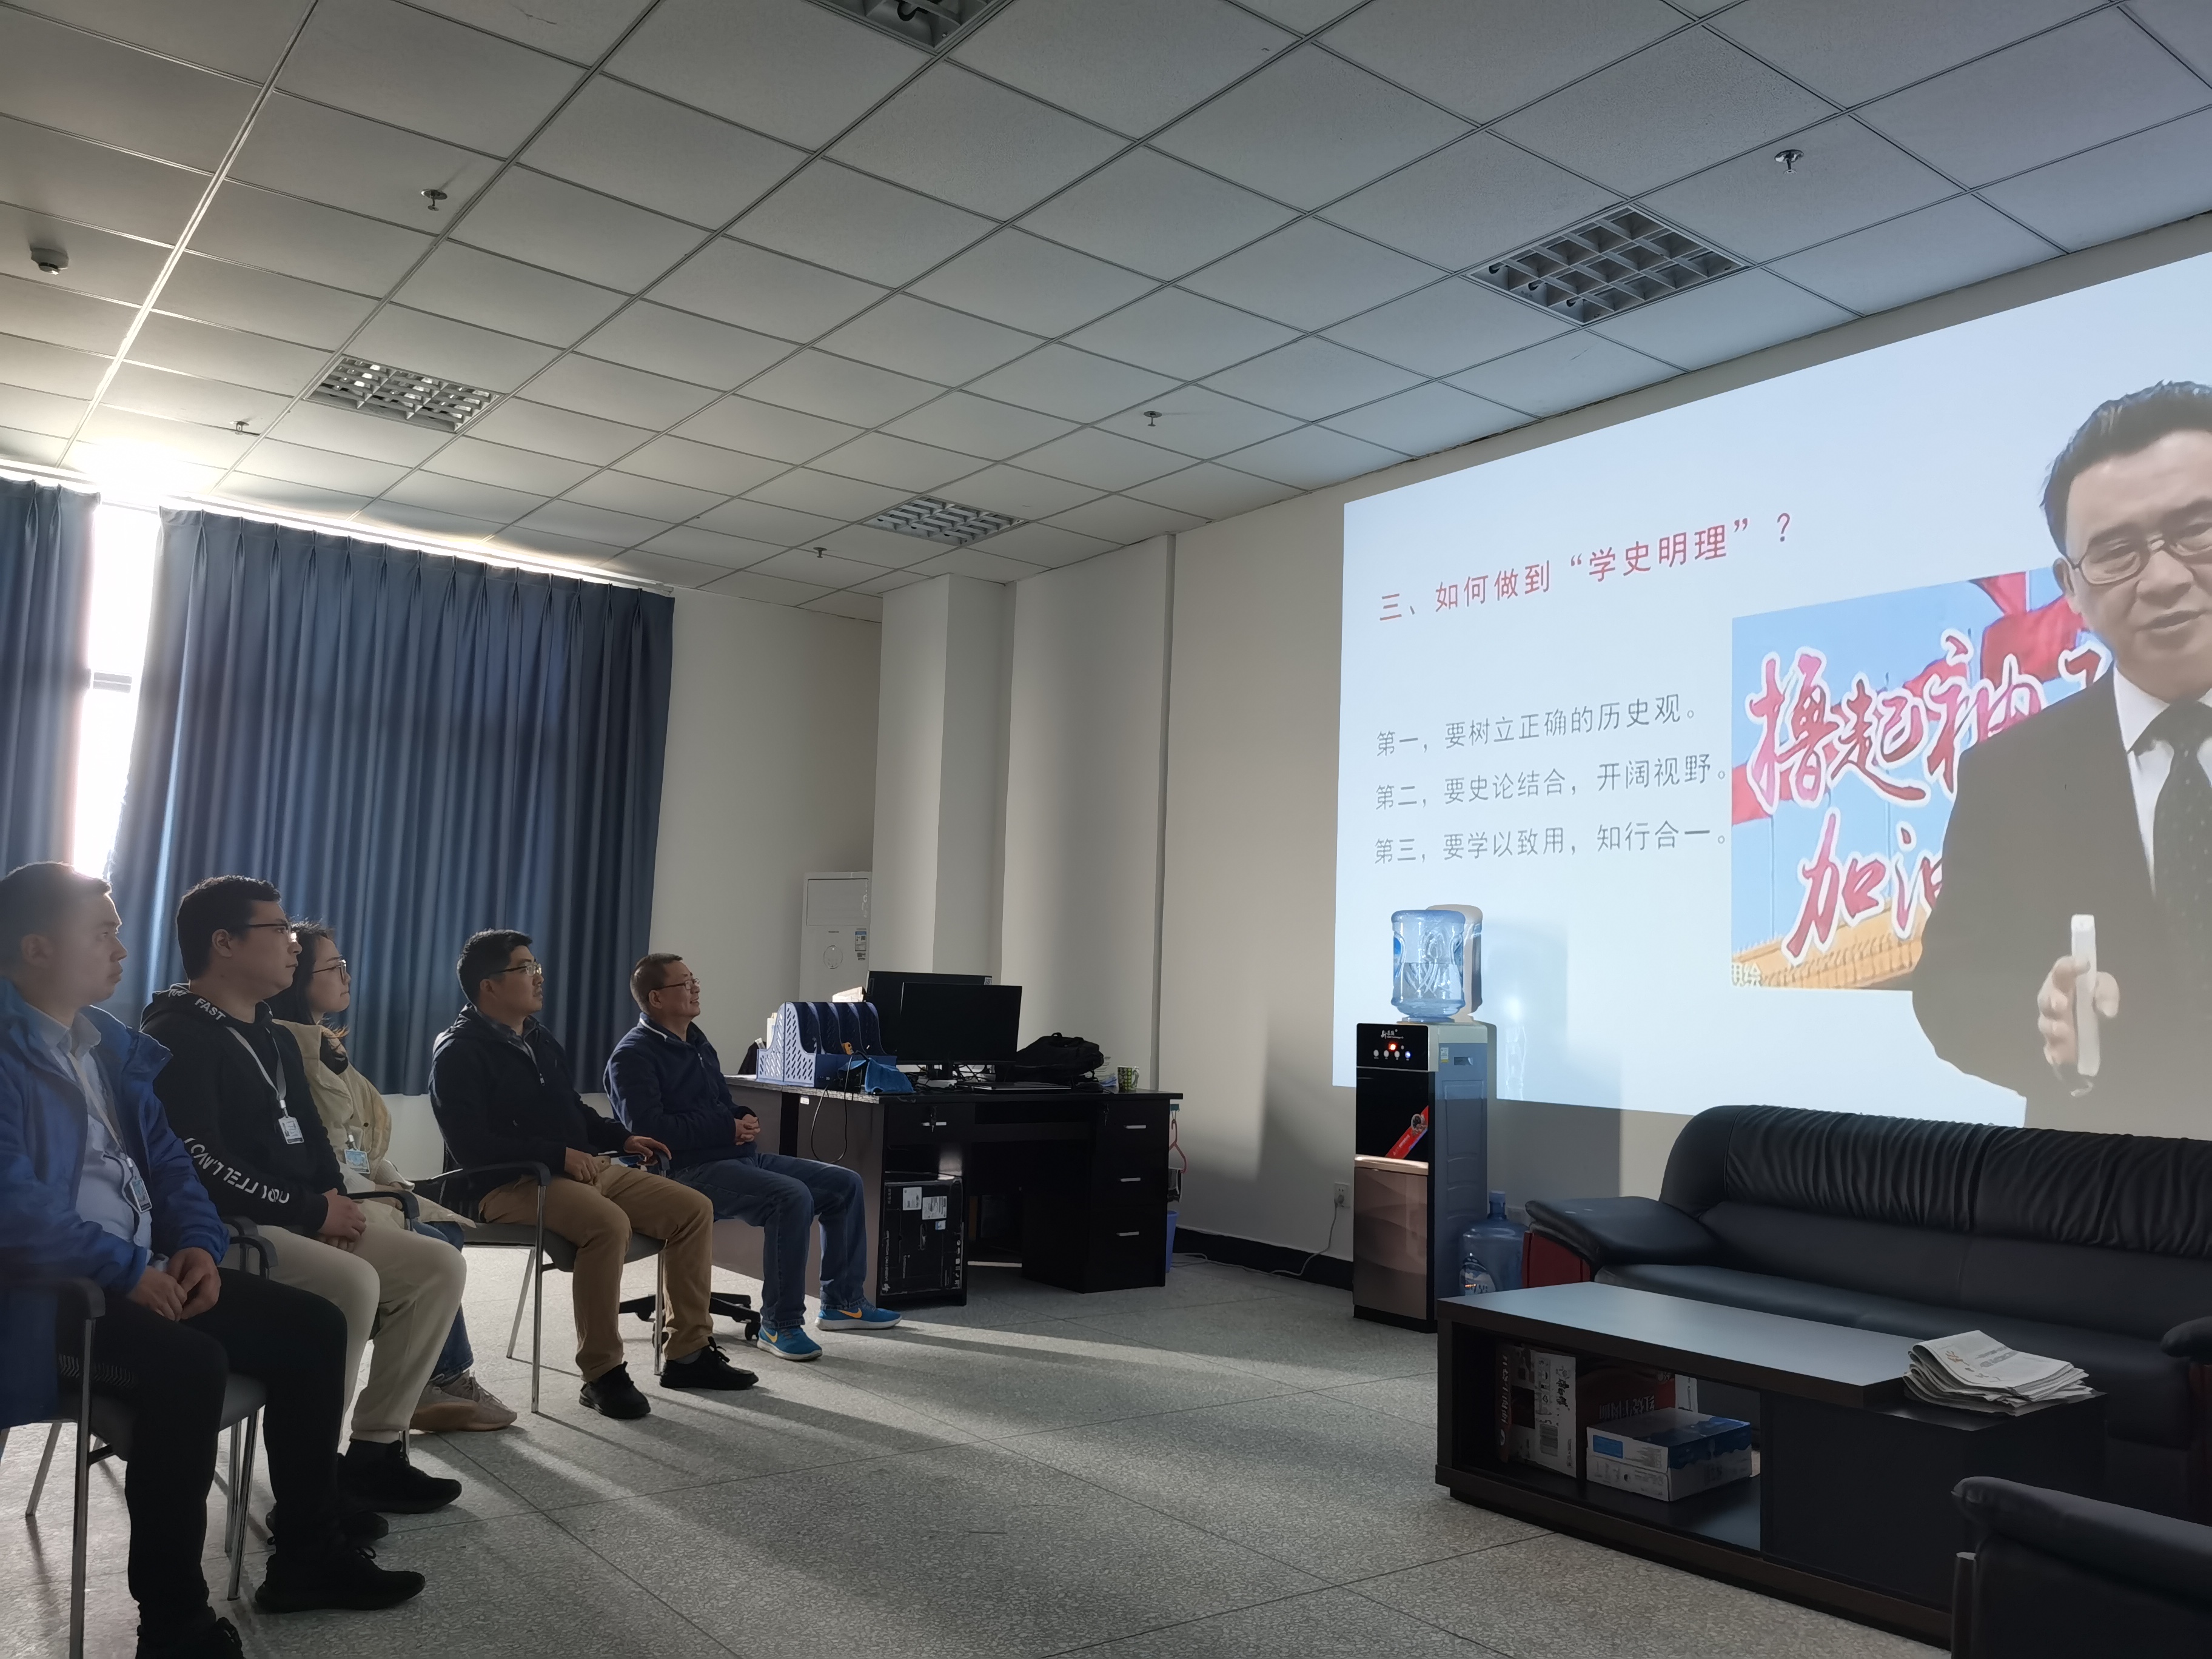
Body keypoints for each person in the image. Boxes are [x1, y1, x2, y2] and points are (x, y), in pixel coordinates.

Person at [0, 863, 422, 1657]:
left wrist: (197, 1243)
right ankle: (175, 1626)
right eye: (103, 933)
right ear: (36, 948)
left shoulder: (108, 1048)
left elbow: (171, 1167)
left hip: (143, 1270)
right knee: (190, 1367)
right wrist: (126, 1270)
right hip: (49, 1298)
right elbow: (13, 1208)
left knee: (313, 1327)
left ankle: (307, 1553)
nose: (123, 949)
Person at [1914, 381, 2212, 1133]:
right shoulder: (2007, 776)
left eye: (2198, 530)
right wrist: (2042, 1023)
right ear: (2070, 590)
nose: (2165, 578)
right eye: (2116, 552)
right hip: (2102, 1185)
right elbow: (1948, 987)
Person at [141, 876, 467, 1513]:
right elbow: (201, 1160)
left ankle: (374, 1452)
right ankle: (312, 1475)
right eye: (279, 930)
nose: (294, 944)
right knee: (352, 1282)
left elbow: (313, 1136)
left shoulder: (272, 1031)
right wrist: (312, 1210)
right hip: (228, 1228)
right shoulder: (177, 1033)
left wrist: (332, 1203)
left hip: (297, 1216)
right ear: (224, 943)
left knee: (437, 1265)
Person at [426, 930, 755, 1418]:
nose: (539, 976)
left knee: (691, 1208)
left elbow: (572, 1110)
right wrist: (558, 1155)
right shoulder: (458, 1051)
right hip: (509, 1183)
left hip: (580, 1169)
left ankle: (688, 1352)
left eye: (536, 966)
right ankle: (603, 1372)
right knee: (608, 1225)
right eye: (525, 968)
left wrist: (622, 1137)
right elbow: (471, 1146)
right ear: (488, 986)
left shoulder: (538, 1037)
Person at [270, 923, 515, 1433]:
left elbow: (363, 1147)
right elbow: (324, 1157)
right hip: (323, 1200)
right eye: (333, 967)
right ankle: (439, 1377)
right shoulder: (288, 1050)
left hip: (356, 1184)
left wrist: (399, 1187)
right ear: (297, 978)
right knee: (434, 1244)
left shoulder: (327, 1047)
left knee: (442, 1231)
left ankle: (429, 1376)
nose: (347, 976)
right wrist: (387, 1196)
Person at [606, 954, 898, 1361]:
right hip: (683, 1172)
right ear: (656, 998)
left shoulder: (697, 1043)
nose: (696, 988)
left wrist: (740, 1116)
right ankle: (780, 1324)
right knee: (790, 1197)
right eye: (684, 983)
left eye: (694, 980)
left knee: (843, 1183)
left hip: (737, 1158)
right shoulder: (632, 1056)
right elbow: (650, 1130)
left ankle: (843, 1303)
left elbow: (718, 1104)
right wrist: (725, 1127)